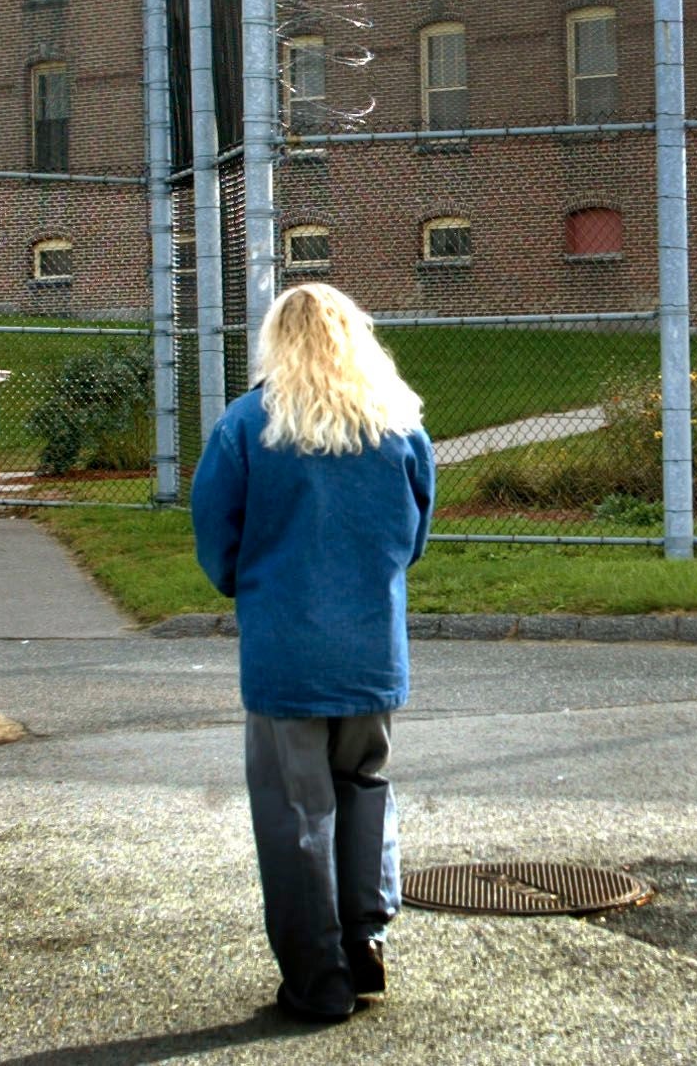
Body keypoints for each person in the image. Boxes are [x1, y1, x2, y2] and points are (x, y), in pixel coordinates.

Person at [189, 284, 434, 1024]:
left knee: (297, 811)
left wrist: (246, 580)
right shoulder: (396, 423)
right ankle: (365, 937)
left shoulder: (247, 425)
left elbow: (215, 532)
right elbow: (413, 534)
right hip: (369, 646)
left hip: (286, 646)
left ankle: (316, 977)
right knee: (364, 786)